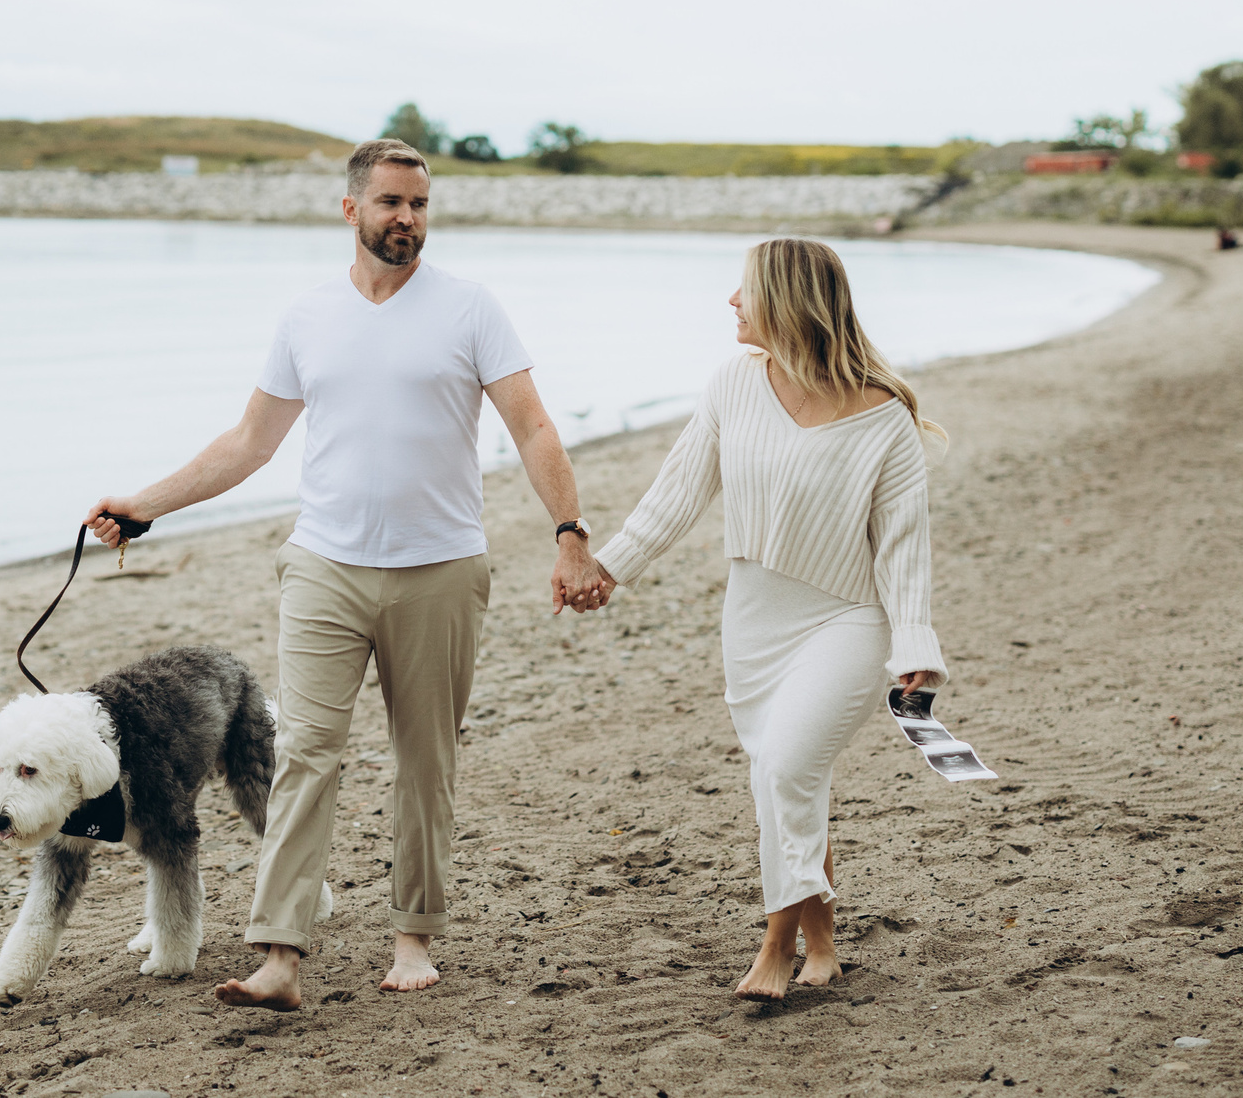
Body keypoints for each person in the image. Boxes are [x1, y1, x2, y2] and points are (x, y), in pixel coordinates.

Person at [84, 138, 603, 1007]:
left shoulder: (471, 308)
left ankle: (412, 937)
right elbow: (250, 443)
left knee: (425, 761)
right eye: (391, 202)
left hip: (439, 569)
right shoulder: (308, 315)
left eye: (420, 204)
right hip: (324, 565)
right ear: (351, 207)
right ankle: (280, 955)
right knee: (303, 755)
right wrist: (147, 503)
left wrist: (570, 532)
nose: (407, 218)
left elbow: (534, 427)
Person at [563, 237, 946, 999]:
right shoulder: (732, 385)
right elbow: (677, 493)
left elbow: (904, 545)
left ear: (787, 300)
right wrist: (607, 567)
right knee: (788, 779)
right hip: (755, 622)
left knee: (785, 767)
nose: (732, 300)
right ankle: (823, 943)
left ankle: (775, 948)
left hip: (846, 620)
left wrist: (915, 644)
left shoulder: (883, 417)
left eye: (746, 288)